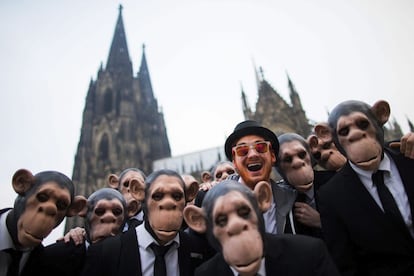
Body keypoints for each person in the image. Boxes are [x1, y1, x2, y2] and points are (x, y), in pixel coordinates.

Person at [318, 100, 414, 275]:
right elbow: (346, 265)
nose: (355, 135)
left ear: (381, 115)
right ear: (328, 135)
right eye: (344, 131)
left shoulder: (410, 157)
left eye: (362, 124)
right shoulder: (331, 196)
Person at [184, 179, 340, 276]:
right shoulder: (207, 273)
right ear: (199, 222)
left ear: (262, 201)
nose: (236, 226)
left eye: (244, 213)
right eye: (222, 220)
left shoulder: (308, 254)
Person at [80, 169, 203, 276]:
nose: (168, 204)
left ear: (190, 194)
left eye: (177, 196)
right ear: (139, 193)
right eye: (158, 196)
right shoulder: (105, 251)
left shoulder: (198, 248)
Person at [0, 169, 86, 276]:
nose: (49, 209)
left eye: (61, 205)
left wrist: (85, 233)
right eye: (42, 197)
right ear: (21, 183)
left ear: (73, 210)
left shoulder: (49, 262)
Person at [224, 120, 296, 234]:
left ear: (272, 156)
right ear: (234, 162)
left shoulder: (294, 199)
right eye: (242, 150)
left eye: (261, 147)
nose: (253, 154)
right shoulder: (216, 203)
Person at [276, 132, 324, 238]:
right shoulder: (277, 199)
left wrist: (321, 222)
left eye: (301, 155)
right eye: (288, 159)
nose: (297, 163)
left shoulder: (332, 181)